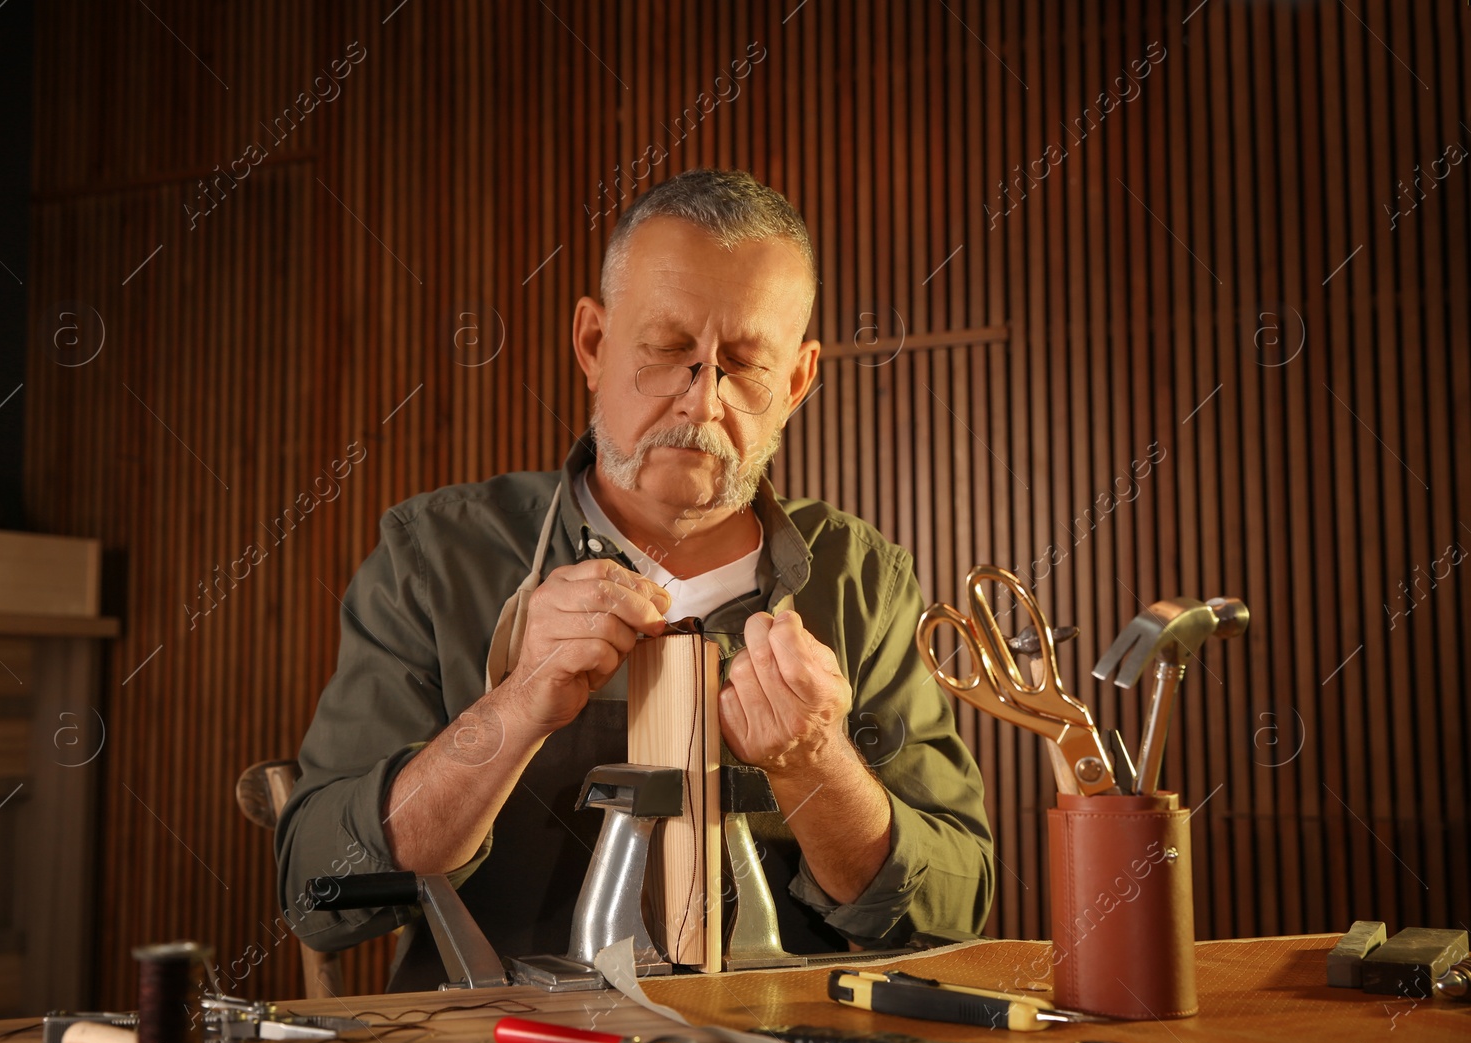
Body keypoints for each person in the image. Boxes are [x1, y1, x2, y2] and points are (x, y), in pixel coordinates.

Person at [275, 169, 994, 990]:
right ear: (592, 344)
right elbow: (318, 891)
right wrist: (511, 710)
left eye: (745, 364)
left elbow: (953, 911)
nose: (701, 400)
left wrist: (818, 766)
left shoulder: (861, 577)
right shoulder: (434, 557)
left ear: (797, 381)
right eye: (667, 353)